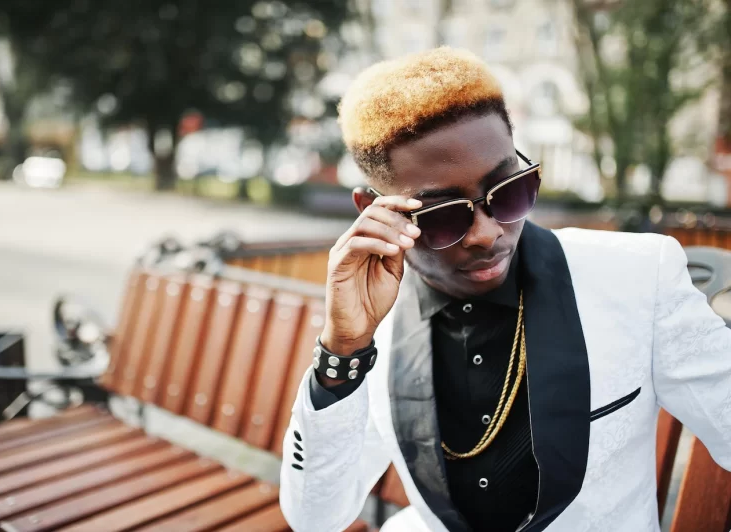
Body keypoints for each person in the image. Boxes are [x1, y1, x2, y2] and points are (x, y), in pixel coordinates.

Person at [278, 47, 731, 532]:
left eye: (508, 192)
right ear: (372, 208)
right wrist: (342, 353)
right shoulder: (370, 330)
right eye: (443, 217)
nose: (487, 233)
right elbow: (316, 519)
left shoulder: (639, 276)